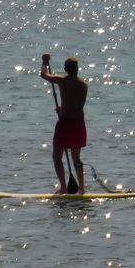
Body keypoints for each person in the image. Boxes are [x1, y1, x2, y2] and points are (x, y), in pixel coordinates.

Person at [41, 52, 88, 193]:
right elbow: (76, 104)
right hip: (79, 124)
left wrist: (44, 61)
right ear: (77, 69)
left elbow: (44, 75)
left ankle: (63, 188)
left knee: (57, 157)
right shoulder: (84, 86)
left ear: (66, 69)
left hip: (66, 123)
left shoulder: (62, 81)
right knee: (76, 158)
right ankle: (82, 189)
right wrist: (63, 108)